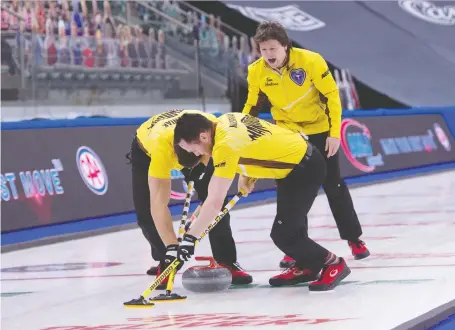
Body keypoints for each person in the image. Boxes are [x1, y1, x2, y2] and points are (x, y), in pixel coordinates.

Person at [241, 21, 370, 268]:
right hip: (287, 136)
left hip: (319, 130)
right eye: (263, 49)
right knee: (289, 191)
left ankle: (354, 238)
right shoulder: (256, 71)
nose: (268, 55)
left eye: (272, 49)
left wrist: (334, 134)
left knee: (334, 185)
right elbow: (252, 105)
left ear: (285, 46)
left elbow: (332, 95)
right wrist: (243, 128)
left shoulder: (311, 61)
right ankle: (295, 245)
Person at [173, 112, 351, 290]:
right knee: (291, 228)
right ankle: (307, 266)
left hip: (303, 168)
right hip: (296, 161)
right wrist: (247, 173)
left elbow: (214, 202)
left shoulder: (224, 145)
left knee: (284, 235)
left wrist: (190, 239)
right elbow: (256, 140)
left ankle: (334, 263)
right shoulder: (226, 120)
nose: (195, 154)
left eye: (193, 149)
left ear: (203, 136)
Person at [127, 109, 253, 289]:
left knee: (216, 203)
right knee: (145, 212)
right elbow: (158, 204)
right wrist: (172, 245)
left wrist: (203, 167)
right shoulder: (161, 150)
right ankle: (166, 260)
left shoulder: (208, 127)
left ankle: (226, 261)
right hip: (145, 150)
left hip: (192, 142)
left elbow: (214, 189)